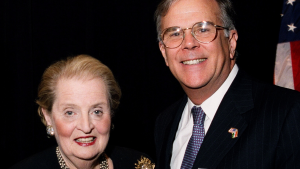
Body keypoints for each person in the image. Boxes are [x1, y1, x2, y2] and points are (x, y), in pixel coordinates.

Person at [154, 0, 300, 168]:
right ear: (164, 52)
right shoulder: (165, 122)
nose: (188, 43)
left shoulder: (287, 113)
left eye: (203, 29)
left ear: (231, 42)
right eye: (175, 33)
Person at [10, 55, 154, 169]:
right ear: (48, 117)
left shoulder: (139, 164)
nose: (86, 127)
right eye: (70, 113)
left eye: (97, 111)